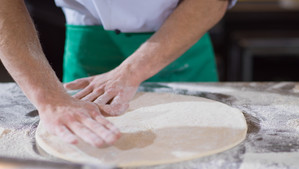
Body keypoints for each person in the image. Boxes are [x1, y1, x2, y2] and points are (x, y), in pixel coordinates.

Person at [0, 0, 236, 148]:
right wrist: (49, 98)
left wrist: (132, 71)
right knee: (88, 154)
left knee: (200, 149)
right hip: (90, 41)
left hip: (180, 37)